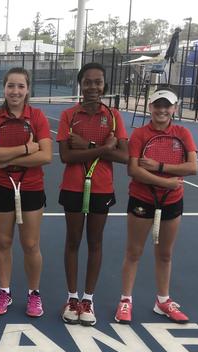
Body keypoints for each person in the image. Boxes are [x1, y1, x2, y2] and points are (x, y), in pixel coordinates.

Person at [114, 87, 198, 324]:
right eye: (157, 105)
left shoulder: (183, 133)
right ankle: (125, 300)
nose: (162, 110)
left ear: (174, 108)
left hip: (172, 202)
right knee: (134, 252)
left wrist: (159, 166)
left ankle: (163, 301)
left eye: (167, 105)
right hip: (142, 200)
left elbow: (192, 168)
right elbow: (133, 170)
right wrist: (166, 182)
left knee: (165, 254)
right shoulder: (140, 134)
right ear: (150, 107)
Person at [56, 62, 128, 326]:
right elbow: (66, 156)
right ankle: (72, 297)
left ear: (104, 85)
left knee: (95, 242)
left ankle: (88, 299)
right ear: (81, 84)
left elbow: (124, 155)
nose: (93, 87)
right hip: (73, 186)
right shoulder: (68, 116)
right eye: (87, 82)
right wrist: (102, 147)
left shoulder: (114, 116)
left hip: (102, 188)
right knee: (73, 241)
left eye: (98, 82)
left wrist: (88, 146)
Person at [0, 67, 53, 317]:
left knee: (31, 244)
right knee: (3, 243)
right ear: (4, 88)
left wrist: (7, 159)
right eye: (11, 86)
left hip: (32, 189)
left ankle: (34, 294)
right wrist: (26, 149)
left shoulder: (38, 117)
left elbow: (45, 156)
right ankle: (4, 292)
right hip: (1, 188)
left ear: (27, 89)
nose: (15, 91)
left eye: (20, 86)